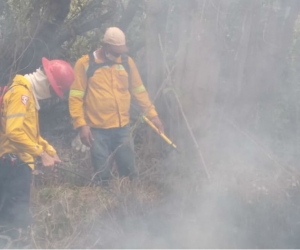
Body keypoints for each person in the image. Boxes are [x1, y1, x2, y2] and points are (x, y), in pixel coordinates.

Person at [69, 27, 164, 183]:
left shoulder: (127, 62)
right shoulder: (85, 64)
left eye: (121, 51)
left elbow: (139, 91)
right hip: (97, 130)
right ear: (105, 47)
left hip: (123, 129)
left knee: (129, 174)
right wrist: (81, 125)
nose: (118, 55)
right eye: (115, 52)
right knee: (102, 175)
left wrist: (153, 116)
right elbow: (75, 97)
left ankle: (129, 199)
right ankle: (104, 200)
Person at [0, 57, 74, 248]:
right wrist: (41, 154)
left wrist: (50, 151)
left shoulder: (27, 94)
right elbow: (14, 132)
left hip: (18, 163)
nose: (52, 96)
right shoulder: (21, 95)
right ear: (47, 83)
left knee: (16, 218)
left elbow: (30, 133)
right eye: (54, 91)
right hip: (11, 165)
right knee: (14, 221)